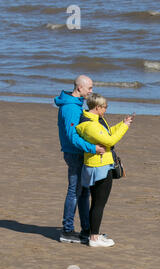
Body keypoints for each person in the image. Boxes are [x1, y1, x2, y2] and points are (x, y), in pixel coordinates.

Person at [76, 93, 134, 247]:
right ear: (98, 107)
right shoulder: (90, 125)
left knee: (97, 203)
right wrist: (125, 128)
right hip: (99, 167)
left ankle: (93, 234)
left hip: (99, 165)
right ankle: (94, 238)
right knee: (99, 203)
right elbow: (110, 140)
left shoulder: (95, 120)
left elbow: (106, 133)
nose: (107, 109)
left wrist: (122, 123)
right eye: (105, 107)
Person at [55, 75, 106, 244]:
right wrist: (93, 148)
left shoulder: (76, 105)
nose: (91, 91)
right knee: (74, 192)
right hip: (74, 154)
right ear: (80, 88)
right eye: (90, 88)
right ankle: (67, 230)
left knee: (84, 192)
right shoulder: (70, 107)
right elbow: (72, 136)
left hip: (78, 153)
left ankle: (86, 229)